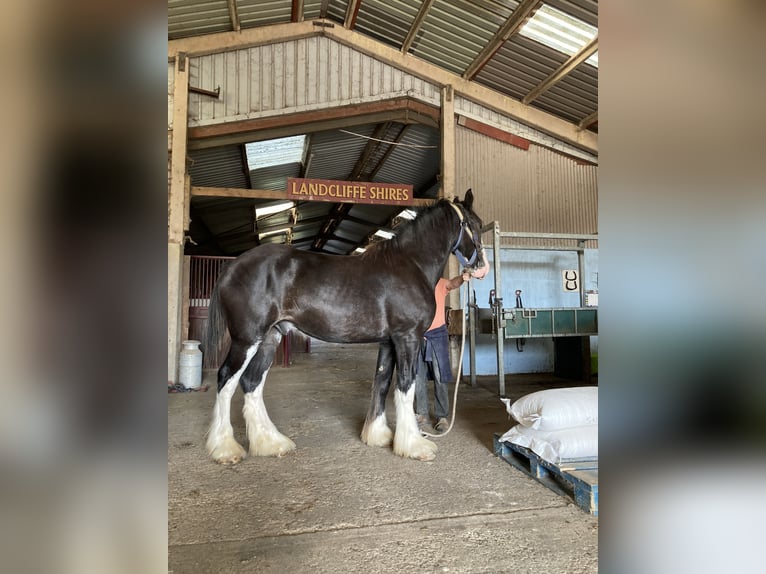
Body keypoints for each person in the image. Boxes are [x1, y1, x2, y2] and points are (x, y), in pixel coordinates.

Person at [415, 271, 471, 433]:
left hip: (437, 335)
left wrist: (462, 277)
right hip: (417, 335)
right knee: (418, 377)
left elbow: (453, 283)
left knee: (440, 377)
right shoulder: (415, 282)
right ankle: (422, 414)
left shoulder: (439, 283)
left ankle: (442, 416)